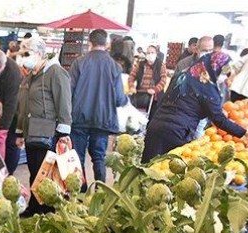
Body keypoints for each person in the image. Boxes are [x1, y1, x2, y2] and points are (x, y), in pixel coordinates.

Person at [142, 52, 247, 162]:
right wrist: (243, 133)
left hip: (156, 126)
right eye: (226, 73)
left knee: (146, 169)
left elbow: (163, 100)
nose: (225, 77)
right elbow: (219, 119)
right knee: (165, 171)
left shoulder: (182, 75)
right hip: (177, 132)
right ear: (217, 68)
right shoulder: (207, 87)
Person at [16, 37, 72, 215]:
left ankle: (47, 211)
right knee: (35, 171)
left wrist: (63, 131)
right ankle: (34, 207)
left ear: (39, 53)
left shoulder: (55, 72)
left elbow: (64, 102)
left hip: (48, 132)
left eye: (27, 53)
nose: (23, 57)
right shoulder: (31, 75)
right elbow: (23, 104)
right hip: (31, 131)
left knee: (47, 174)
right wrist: (19, 131)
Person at [69, 29, 128, 189]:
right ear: (107, 44)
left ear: (90, 43)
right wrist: (126, 100)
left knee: (78, 157)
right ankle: (101, 194)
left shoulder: (79, 63)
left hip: (79, 118)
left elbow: (70, 91)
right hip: (103, 119)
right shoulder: (114, 66)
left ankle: (80, 194)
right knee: (99, 157)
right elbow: (119, 98)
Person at [0, 49, 22, 174]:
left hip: (12, 114)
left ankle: (8, 174)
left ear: (0, 66)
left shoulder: (13, 72)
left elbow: (11, 104)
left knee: (11, 145)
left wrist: (3, 129)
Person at [128, 45, 167, 115]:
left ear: (156, 54)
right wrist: (131, 86)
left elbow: (163, 80)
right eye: (148, 53)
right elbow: (131, 76)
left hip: (155, 98)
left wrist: (155, 90)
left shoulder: (161, 65)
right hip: (141, 95)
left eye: (152, 52)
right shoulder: (140, 64)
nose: (150, 54)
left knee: (152, 117)